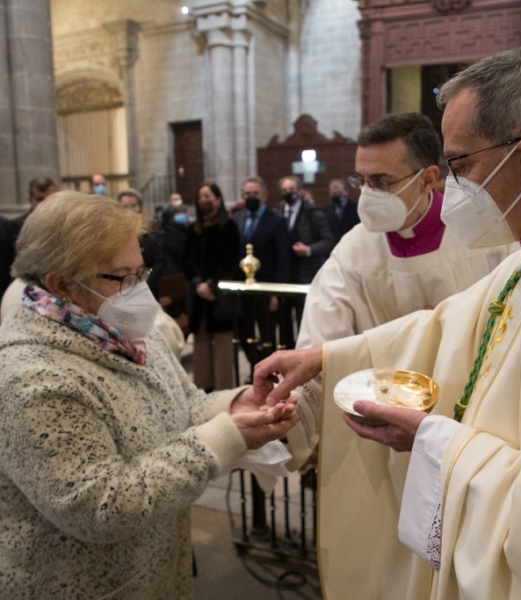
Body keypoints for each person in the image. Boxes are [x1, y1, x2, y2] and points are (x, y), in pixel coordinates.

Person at [254, 41, 521, 599]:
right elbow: (445, 323)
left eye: (460, 164)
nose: (452, 185)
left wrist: (438, 441)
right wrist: (325, 356)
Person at [0, 191, 298, 599]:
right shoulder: (29, 379)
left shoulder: (121, 331)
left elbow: (182, 403)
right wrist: (227, 438)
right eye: (124, 277)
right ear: (61, 284)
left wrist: (233, 405)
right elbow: (103, 507)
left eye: (142, 273)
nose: (141, 292)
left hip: (157, 568)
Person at [288, 112, 514, 470]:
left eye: (381, 182)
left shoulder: (488, 238)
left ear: (427, 179)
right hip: (379, 428)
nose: (366, 194)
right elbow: (320, 344)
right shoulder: (353, 252)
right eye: (360, 180)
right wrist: (291, 414)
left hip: (470, 426)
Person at [183, 182, 241, 391]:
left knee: (223, 343)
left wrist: (212, 285)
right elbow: (187, 260)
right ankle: (202, 390)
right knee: (201, 343)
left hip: (221, 294)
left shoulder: (229, 227)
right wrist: (198, 283)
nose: (203, 201)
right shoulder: (193, 229)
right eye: (200, 197)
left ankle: (223, 392)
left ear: (218, 199)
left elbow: (232, 261)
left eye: (208, 197)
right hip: (198, 296)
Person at [232, 176, 290, 362]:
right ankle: (255, 367)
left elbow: (282, 258)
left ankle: (270, 369)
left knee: (268, 334)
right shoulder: (237, 218)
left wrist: (275, 292)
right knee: (244, 332)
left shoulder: (276, 220)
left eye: (255, 193)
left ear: (264, 196)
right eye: (247, 194)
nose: (251, 197)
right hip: (243, 288)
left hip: (267, 287)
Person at [275, 175, 334, 349]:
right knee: (284, 322)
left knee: (305, 320)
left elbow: (328, 241)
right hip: (284, 275)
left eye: (292, 189)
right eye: (285, 190)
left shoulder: (312, 213)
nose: (288, 193)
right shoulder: (277, 211)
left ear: (299, 191)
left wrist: (308, 250)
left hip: (306, 274)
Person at [117, 188, 166, 299]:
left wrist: (146, 281)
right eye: (125, 206)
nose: (129, 210)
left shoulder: (151, 230)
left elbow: (160, 260)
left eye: (133, 205)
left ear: (140, 207)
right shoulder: (113, 232)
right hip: (122, 287)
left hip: (147, 285)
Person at [322, 177, 360, 248]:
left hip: (353, 246)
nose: (337, 195)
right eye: (334, 193)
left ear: (346, 191)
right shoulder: (326, 211)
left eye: (339, 192)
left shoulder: (356, 208)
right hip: (334, 248)